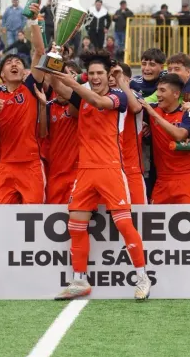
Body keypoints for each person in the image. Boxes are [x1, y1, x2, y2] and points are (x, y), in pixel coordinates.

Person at [49, 52, 151, 301]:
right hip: (84, 170)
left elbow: (99, 103)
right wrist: (54, 59)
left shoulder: (118, 97)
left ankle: (142, 278)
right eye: (91, 73)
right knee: (75, 225)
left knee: (124, 224)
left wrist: (75, 84)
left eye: (99, 73)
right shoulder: (81, 94)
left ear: (108, 76)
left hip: (111, 169)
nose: (95, 77)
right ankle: (80, 280)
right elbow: (57, 87)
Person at [0, 4, 46, 204]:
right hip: (6, 165)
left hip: (31, 164)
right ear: (1, 74)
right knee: (2, 218)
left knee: (32, 219)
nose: (14, 64)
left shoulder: (29, 87)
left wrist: (34, 21)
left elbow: (39, 51)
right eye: (9, 63)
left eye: (18, 62)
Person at [148, 53, 190, 203]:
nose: (173, 72)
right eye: (170, 69)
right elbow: (145, 104)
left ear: (188, 72)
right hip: (172, 164)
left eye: (177, 69)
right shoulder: (165, 89)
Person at [140, 74, 190, 203]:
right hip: (162, 179)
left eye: (163, 90)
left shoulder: (188, 112)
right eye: (157, 90)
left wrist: (154, 116)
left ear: (175, 94)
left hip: (186, 177)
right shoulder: (153, 108)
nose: (158, 94)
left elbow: (180, 135)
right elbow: (133, 103)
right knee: (155, 221)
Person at [110, 62, 146, 204]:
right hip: (110, 170)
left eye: (117, 75)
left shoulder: (134, 95)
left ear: (128, 80)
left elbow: (136, 107)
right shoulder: (103, 99)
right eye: (110, 74)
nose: (113, 78)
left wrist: (121, 83)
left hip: (132, 170)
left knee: (139, 220)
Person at [44, 63, 80, 204]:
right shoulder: (47, 105)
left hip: (76, 172)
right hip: (54, 172)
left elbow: (73, 103)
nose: (61, 90)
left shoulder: (78, 105)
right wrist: (54, 59)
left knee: (77, 215)